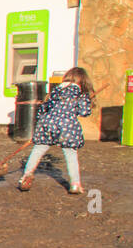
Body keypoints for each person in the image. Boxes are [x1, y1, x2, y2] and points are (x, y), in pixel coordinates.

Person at [17, 67, 95, 195]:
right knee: (71, 154)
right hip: (67, 126)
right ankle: (75, 184)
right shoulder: (80, 94)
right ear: (83, 80)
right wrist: (86, 101)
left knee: (38, 150)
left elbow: (44, 108)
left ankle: (26, 176)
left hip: (47, 124)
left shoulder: (56, 91)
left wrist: (41, 126)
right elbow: (84, 112)